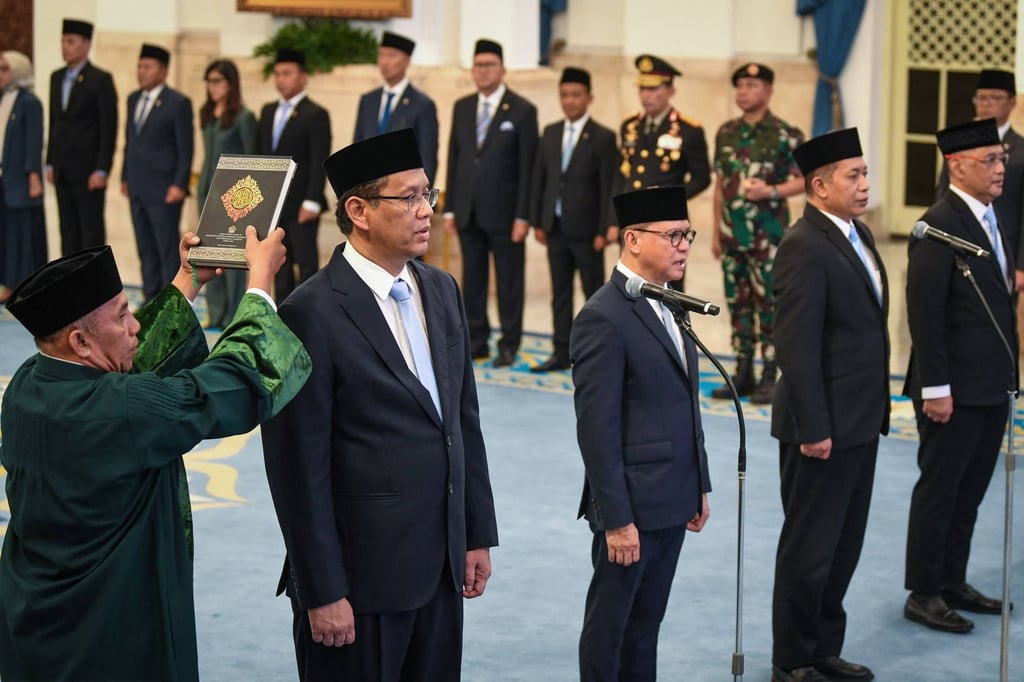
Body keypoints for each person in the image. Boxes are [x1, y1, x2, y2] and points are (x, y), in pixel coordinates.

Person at [0, 228, 311, 682]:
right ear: (81, 343)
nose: (136, 326)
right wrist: (260, 285)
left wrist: (189, 280)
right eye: (123, 315)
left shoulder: (29, 383)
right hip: (108, 629)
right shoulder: (121, 410)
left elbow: (132, 364)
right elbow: (231, 382)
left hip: (36, 616)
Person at [261, 128, 498, 681]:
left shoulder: (440, 290)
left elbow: (463, 421)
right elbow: (298, 468)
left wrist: (475, 531)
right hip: (359, 586)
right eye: (408, 197)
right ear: (358, 210)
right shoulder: (309, 312)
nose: (426, 212)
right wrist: (322, 591)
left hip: (440, 569)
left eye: (428, 195)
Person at [571, 185, 711, 681]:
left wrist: (700, 482)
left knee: (646, 625)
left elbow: (684, 403)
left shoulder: (673, 303)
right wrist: (615, 519)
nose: (683, 246)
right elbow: (597, 430)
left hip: (673, 495)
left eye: (687, 235)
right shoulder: (603, 317)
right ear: (632, 239)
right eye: (672, 235)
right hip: (630, 506)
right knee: (611, 625)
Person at [770, 128, 889, 682]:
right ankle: (792, 661)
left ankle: (822, 648)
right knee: (810, 549)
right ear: (818, 186)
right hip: (820, 428)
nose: (865, 184)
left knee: (842, 546)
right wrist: (815, 427)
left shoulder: (855, 234)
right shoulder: (803, 245)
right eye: (853, 175)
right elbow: (796, 347)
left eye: (865, 173)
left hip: (859, 423)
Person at [903, 118, 1017, 635]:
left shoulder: (993, 217)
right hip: (950, 388)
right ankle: (924, 592)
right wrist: (937, 388)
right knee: (941, 489)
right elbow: (925, 314)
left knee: (970, 489)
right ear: (957, 165)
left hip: (989, 381)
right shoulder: (939, 224)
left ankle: (953, 580)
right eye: (989, 161)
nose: (1000, 169)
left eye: (1001, 159)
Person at [709, 63, 805, 404]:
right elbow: (720, 184)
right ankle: (743, 371)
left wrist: (772, 191)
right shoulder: (726, 132)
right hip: (733, 235)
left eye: (751, 85)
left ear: (768, 90)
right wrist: (715, 233)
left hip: (769, 238)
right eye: (740, 86)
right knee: (738, 304)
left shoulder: (785, 134)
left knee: (769, 305)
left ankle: (769, 373)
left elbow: (804, 180)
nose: (743, 91)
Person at [443, 39, 538, 367]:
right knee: (473, 280)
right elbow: (454, 158)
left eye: (489, 65)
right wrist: (451, 207)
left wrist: (524, 215)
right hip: (468, 210)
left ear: (502, 69)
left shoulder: (523, 110)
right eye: (477, 65)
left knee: (510, 281)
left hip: (507, 214)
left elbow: (529, 167)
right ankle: (478, 340)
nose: (482, 71)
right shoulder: (463, 106)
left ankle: (509, 342)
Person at [528, 66, 618, 373]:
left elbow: (609, 185)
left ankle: (596, 352)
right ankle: (560, 350)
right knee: (560, 293)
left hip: (587, 231)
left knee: (594, 294)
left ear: (589, 97)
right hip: (555, 229)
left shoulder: (604, 137)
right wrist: (538, 220)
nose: (569, 101)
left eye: (576, 95)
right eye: (564, 95)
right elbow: (541, 178)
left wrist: (607, 226)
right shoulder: (550, 133)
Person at [618, 55, 710, 292]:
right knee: (633, 283)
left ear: (670, 90)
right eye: (642, 89)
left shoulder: (688, 130)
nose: (646, 95)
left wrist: (667, 198)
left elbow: (702, 177)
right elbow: (624, 175)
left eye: (653, 88)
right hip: (635, 220)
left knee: (670, 287)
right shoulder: (630, 127)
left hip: (668, 223)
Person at [937, 69, 1024, 292]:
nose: (987, 104)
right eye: (982, 98)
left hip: (1004, 248)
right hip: (961, 243)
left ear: (1012, 102)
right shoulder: (961, 144)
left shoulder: (1020, 149)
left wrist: (1021, 265)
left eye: (995, 98)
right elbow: (942, 194)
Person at [257, 48, 332, 303]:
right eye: (277, 74)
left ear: (302, 77)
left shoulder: (315, 113)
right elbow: (262, 157)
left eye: (287, 74)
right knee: (279, 266)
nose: (281, 79)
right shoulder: (267, 111)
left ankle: (308, 316)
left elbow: (319, 159)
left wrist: (312, 200)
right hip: (274, 205)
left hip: (301, 205)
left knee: (306, 264)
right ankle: (283, 316)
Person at [121, 43, 194, 302]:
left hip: (164, 189)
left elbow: (186, 148)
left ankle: (170, 298)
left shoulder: (177, 103)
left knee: (166, 248)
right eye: (140, 66)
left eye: (148, 66)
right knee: (145, 246)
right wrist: (124, 176)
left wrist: (179, 184)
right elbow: (130, 140)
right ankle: (150, 294)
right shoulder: (133, 99)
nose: (142, 71)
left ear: (163, 70)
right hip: (138, 185)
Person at [45, 18, 117, 256]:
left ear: (86, 44)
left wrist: (102, 169)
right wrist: (50, 161)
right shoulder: (56, 77)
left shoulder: (100, 80)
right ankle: (69, 285)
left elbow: (108, 128)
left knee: (90, 232)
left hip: (88, 171)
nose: (65, 46)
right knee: (68, 230)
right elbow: (55, 122)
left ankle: (93, 288)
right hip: (62, 168)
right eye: (63, 41)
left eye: (71, 41)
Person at [197, 58, 258, 329]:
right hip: (207, 190)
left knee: (232, 258)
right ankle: (216, 311)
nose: (212, 87)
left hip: (234, 196)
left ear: (231, 84)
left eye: (217, 81)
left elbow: (251, 161)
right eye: (209, 81)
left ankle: (232, 313)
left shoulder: (244, 117)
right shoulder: (207, 114)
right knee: (209, 253)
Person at [353, 31, 439, 186]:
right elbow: (357, 148)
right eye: (381, 55)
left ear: (406, 61)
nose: (384, 62)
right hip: (368, 190)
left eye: (392, 55)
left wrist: (421, 197)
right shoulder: (368, 100)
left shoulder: (422, 104)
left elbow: (428, 157)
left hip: (403, 192)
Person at [0, 51, 47, 301]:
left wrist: (33, 176)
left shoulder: (29, 102)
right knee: (7, 232)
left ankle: (24, 286)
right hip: (4, 179)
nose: (1, 74)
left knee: (23, 234)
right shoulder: (3, 99)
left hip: (22, 180)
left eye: (5, 69)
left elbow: (33, 142)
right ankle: (8, 282)